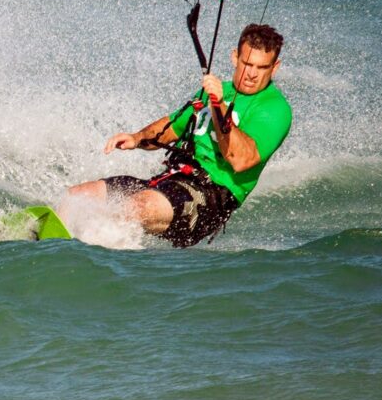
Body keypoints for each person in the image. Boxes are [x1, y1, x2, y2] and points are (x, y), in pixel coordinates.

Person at [65, 24, 292, 247]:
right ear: (235, 57)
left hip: (207, 199)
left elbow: (241, 159)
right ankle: (52, 243)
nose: (251, 74)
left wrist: (219, 104)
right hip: (170, 180)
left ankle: (97, 261)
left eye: (262, 67)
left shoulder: (274, 109)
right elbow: (172, 127)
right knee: (78, 196)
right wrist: (137, 138)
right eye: (247, 63)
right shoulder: (214, 90)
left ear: (275, 67)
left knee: (132, 209)